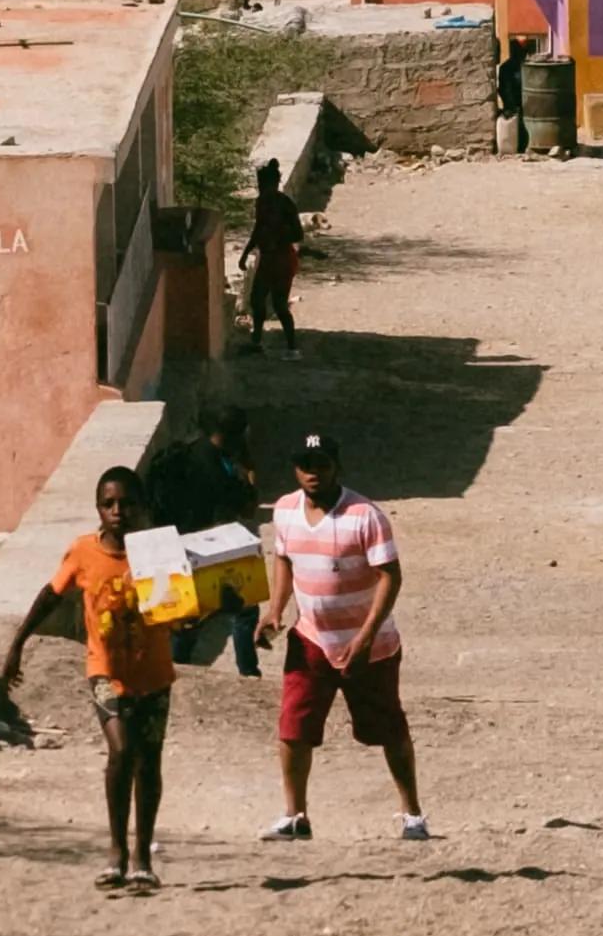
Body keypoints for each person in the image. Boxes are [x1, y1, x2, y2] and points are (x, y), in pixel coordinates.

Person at [9, 462, 177, 890]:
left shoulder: (158, 552)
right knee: (121, 751)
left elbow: (180, 610)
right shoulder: (84, 552)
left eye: (126, 503)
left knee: (148, 760)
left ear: (141, 507)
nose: (118, 511)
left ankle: (143, 856)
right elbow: (50, 596)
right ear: (98, 508)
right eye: (109, 504)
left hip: (153, 670)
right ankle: (116, 851)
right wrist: (17, 645)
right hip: (105, 670)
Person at [262, 430, 428, 842]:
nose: (313, 473)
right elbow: (284, 559)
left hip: (369, 648)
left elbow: (390, 576)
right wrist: (275, 610)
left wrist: (366, 637)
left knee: (389, 728)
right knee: (294, 728)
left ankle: (412, 815)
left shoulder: (365, 515)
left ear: (337, 466)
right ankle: (295, 815)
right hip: (311, 640)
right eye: (305, 465)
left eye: (321, 465)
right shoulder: (284, 510)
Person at [134, 397, 268, 675]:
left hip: (178, 545)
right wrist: (249, 473)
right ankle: (248, 671)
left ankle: (177, 666)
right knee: (243, 609)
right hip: (206, 551)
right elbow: (248, 509)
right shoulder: (221, 469)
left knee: (188, 618)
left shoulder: (190, 453)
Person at [244, 158, 303, 347]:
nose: (261, 187)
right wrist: (246, 252)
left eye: (263, 183)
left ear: (273, 183)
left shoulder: (284, 204)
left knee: (279, 305)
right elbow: (258, 228)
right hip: (268, 258)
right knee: (257, 299)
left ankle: (292, 346)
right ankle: (256, 341)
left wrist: (277, 239)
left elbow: (298, 234)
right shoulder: (262, 202)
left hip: (282, 258)